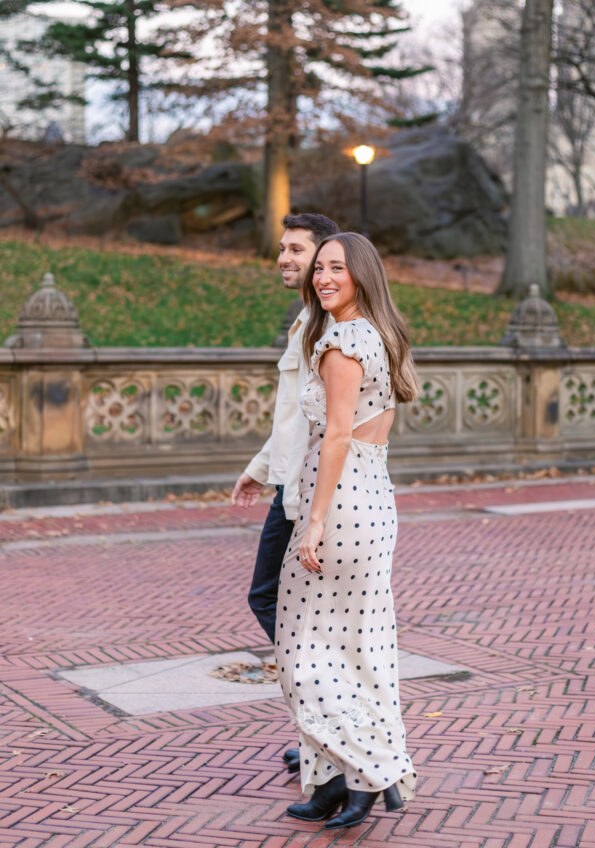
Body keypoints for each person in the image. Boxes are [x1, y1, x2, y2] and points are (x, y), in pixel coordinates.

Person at [274, 232, 419, 830]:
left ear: (362, 275)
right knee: (358, 649)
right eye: (319, 269)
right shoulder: (379, 335)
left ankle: (373, 768)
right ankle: (338, 783)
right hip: (373, 497)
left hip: (340, 504)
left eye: (337, 268)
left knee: (301, 650)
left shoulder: (341, 341)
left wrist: (312, 522)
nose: (322, 277)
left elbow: (334, 436)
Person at [231, 212, 339, 774]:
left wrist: (305, 507)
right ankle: (324, 727)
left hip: (310, 493)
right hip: (291, 484)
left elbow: (329, 424)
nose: (284, 259)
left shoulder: (329, 327)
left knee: (276, 603)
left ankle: (330, 723)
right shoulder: (306, 321)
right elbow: (294, 416)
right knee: (292, 612)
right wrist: (260, 467)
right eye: (282, 249)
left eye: (297, 250)